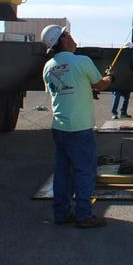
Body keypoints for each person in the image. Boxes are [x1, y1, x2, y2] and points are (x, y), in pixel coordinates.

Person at [41, 23, 112, 228]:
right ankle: (84, 215)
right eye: (68, 35)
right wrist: (110, 76)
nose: (72, 38)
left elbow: (57, 91)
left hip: (60, 127)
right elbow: (100, 84)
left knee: (62, 171)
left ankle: (61, 213)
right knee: (85, 171)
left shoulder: (48, 66)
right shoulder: (82, 61)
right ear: (62, 40)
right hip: (80, 128)